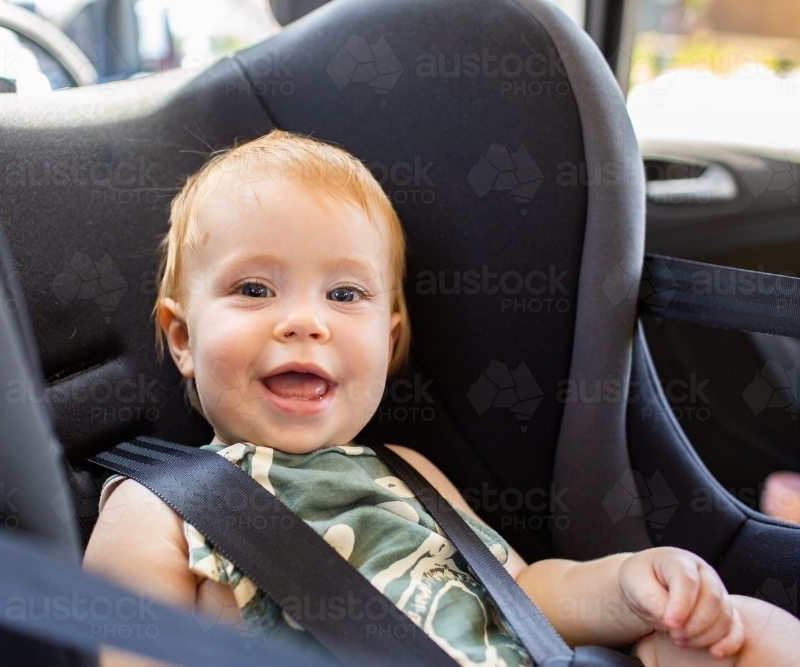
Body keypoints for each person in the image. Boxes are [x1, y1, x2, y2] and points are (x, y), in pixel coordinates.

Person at [84, 130, 798, 667]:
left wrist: (629, 586)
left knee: (751, 634)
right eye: (253, 289)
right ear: (181, 336)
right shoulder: (159, 506)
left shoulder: (406, 470)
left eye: (345, 293)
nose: (305, 320)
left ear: (390, 338)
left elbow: (523, 596)